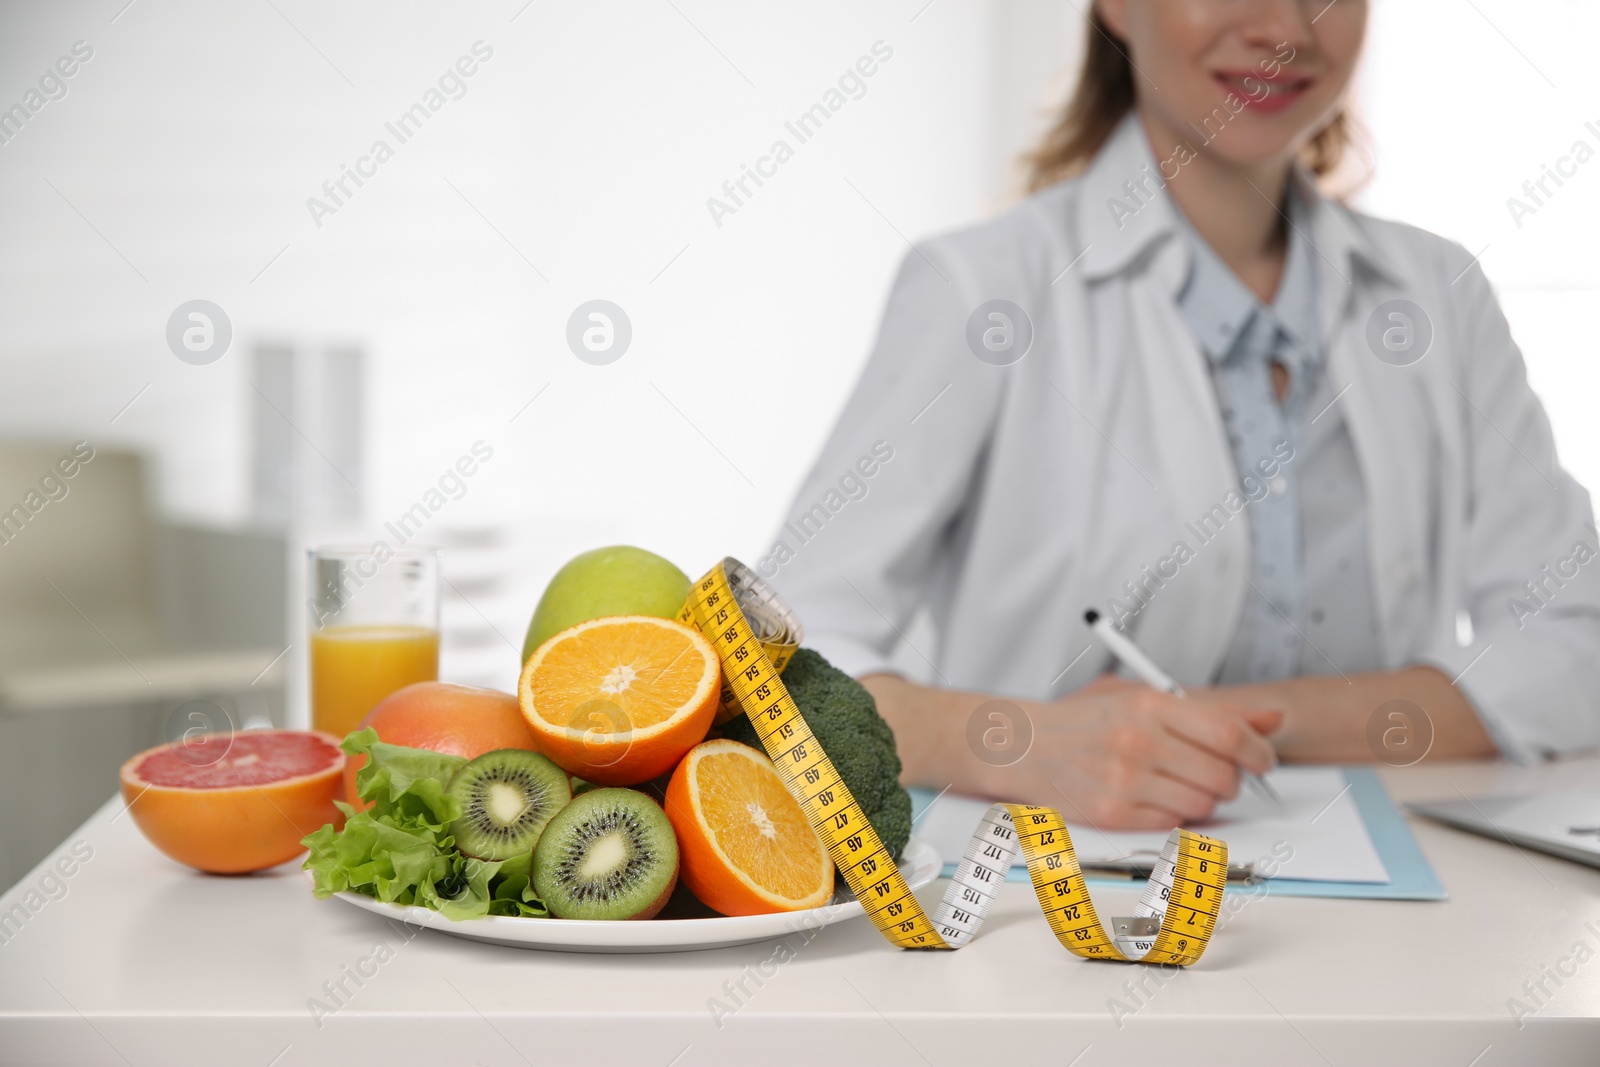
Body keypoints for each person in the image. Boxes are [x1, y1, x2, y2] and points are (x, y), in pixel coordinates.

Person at [766, 0, 1600, 830]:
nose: (1286, 31)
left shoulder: (1437, 295)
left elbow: (1576, 643)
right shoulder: (984, 288)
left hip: (1414, 894)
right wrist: (1026, 743)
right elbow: (784, 656)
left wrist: (1216, 719)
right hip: (1041, 917)